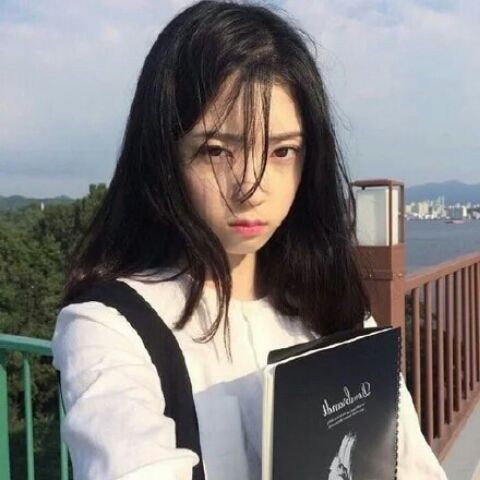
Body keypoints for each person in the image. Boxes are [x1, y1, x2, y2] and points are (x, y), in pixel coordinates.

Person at [51, 1, 448, 479]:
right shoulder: (111, 327)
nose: (252, 188)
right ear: (162, 155)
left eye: (282, 151)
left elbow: (411, 464)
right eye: (217, 150)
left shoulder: (330, 307)